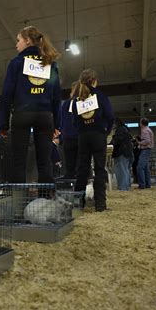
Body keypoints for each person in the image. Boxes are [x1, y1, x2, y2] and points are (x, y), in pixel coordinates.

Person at [0, 25, 61, 183]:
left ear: (27, 41)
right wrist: (57, 124)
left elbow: (6, 95)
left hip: (22, 114)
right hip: (44, 116)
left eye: (18, 40)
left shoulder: (16, 63)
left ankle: (19, 204)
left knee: (18, 163)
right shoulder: (49, 63)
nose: (16, 44)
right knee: (45, 163)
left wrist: (3, 124)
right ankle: (45, 203)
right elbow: (56, 96)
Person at [70, 69, 115, 211]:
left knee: (82, 170)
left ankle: (78, 204)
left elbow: (75, 121)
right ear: (94, 80)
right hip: (98, 135)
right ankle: (100, 205)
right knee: (100, 169)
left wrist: (81, 131)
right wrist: (105, 131)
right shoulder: (100, 95)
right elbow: (110, 116)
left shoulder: (76, 98)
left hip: (83, 137)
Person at [60, 82, 79, 179]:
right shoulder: (83, 102)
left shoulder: (65, 104)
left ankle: (71, 189)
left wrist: (61, 136)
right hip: (80, 138)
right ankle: (82, 191)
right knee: (81, 166)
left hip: (67, 139)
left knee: (69, 167)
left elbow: (61, 121)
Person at [111, 118, 133, 191]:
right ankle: (126, 186)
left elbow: (117, 140)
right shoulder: (126, 129)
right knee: (126, 170)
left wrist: (109, 144)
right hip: (127, 152)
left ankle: (122, 187)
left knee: (121, 170)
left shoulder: (120, 129)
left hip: (121, 152)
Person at [136, 118, 154, 189]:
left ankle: (142, 185)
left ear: (141, 123)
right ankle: (147, 184)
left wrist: (139, 142)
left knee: (139, 168)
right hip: (148, 149)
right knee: (146, 168)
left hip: (145, 149)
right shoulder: (148, 129)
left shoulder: (144, 130)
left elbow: (147, 141)